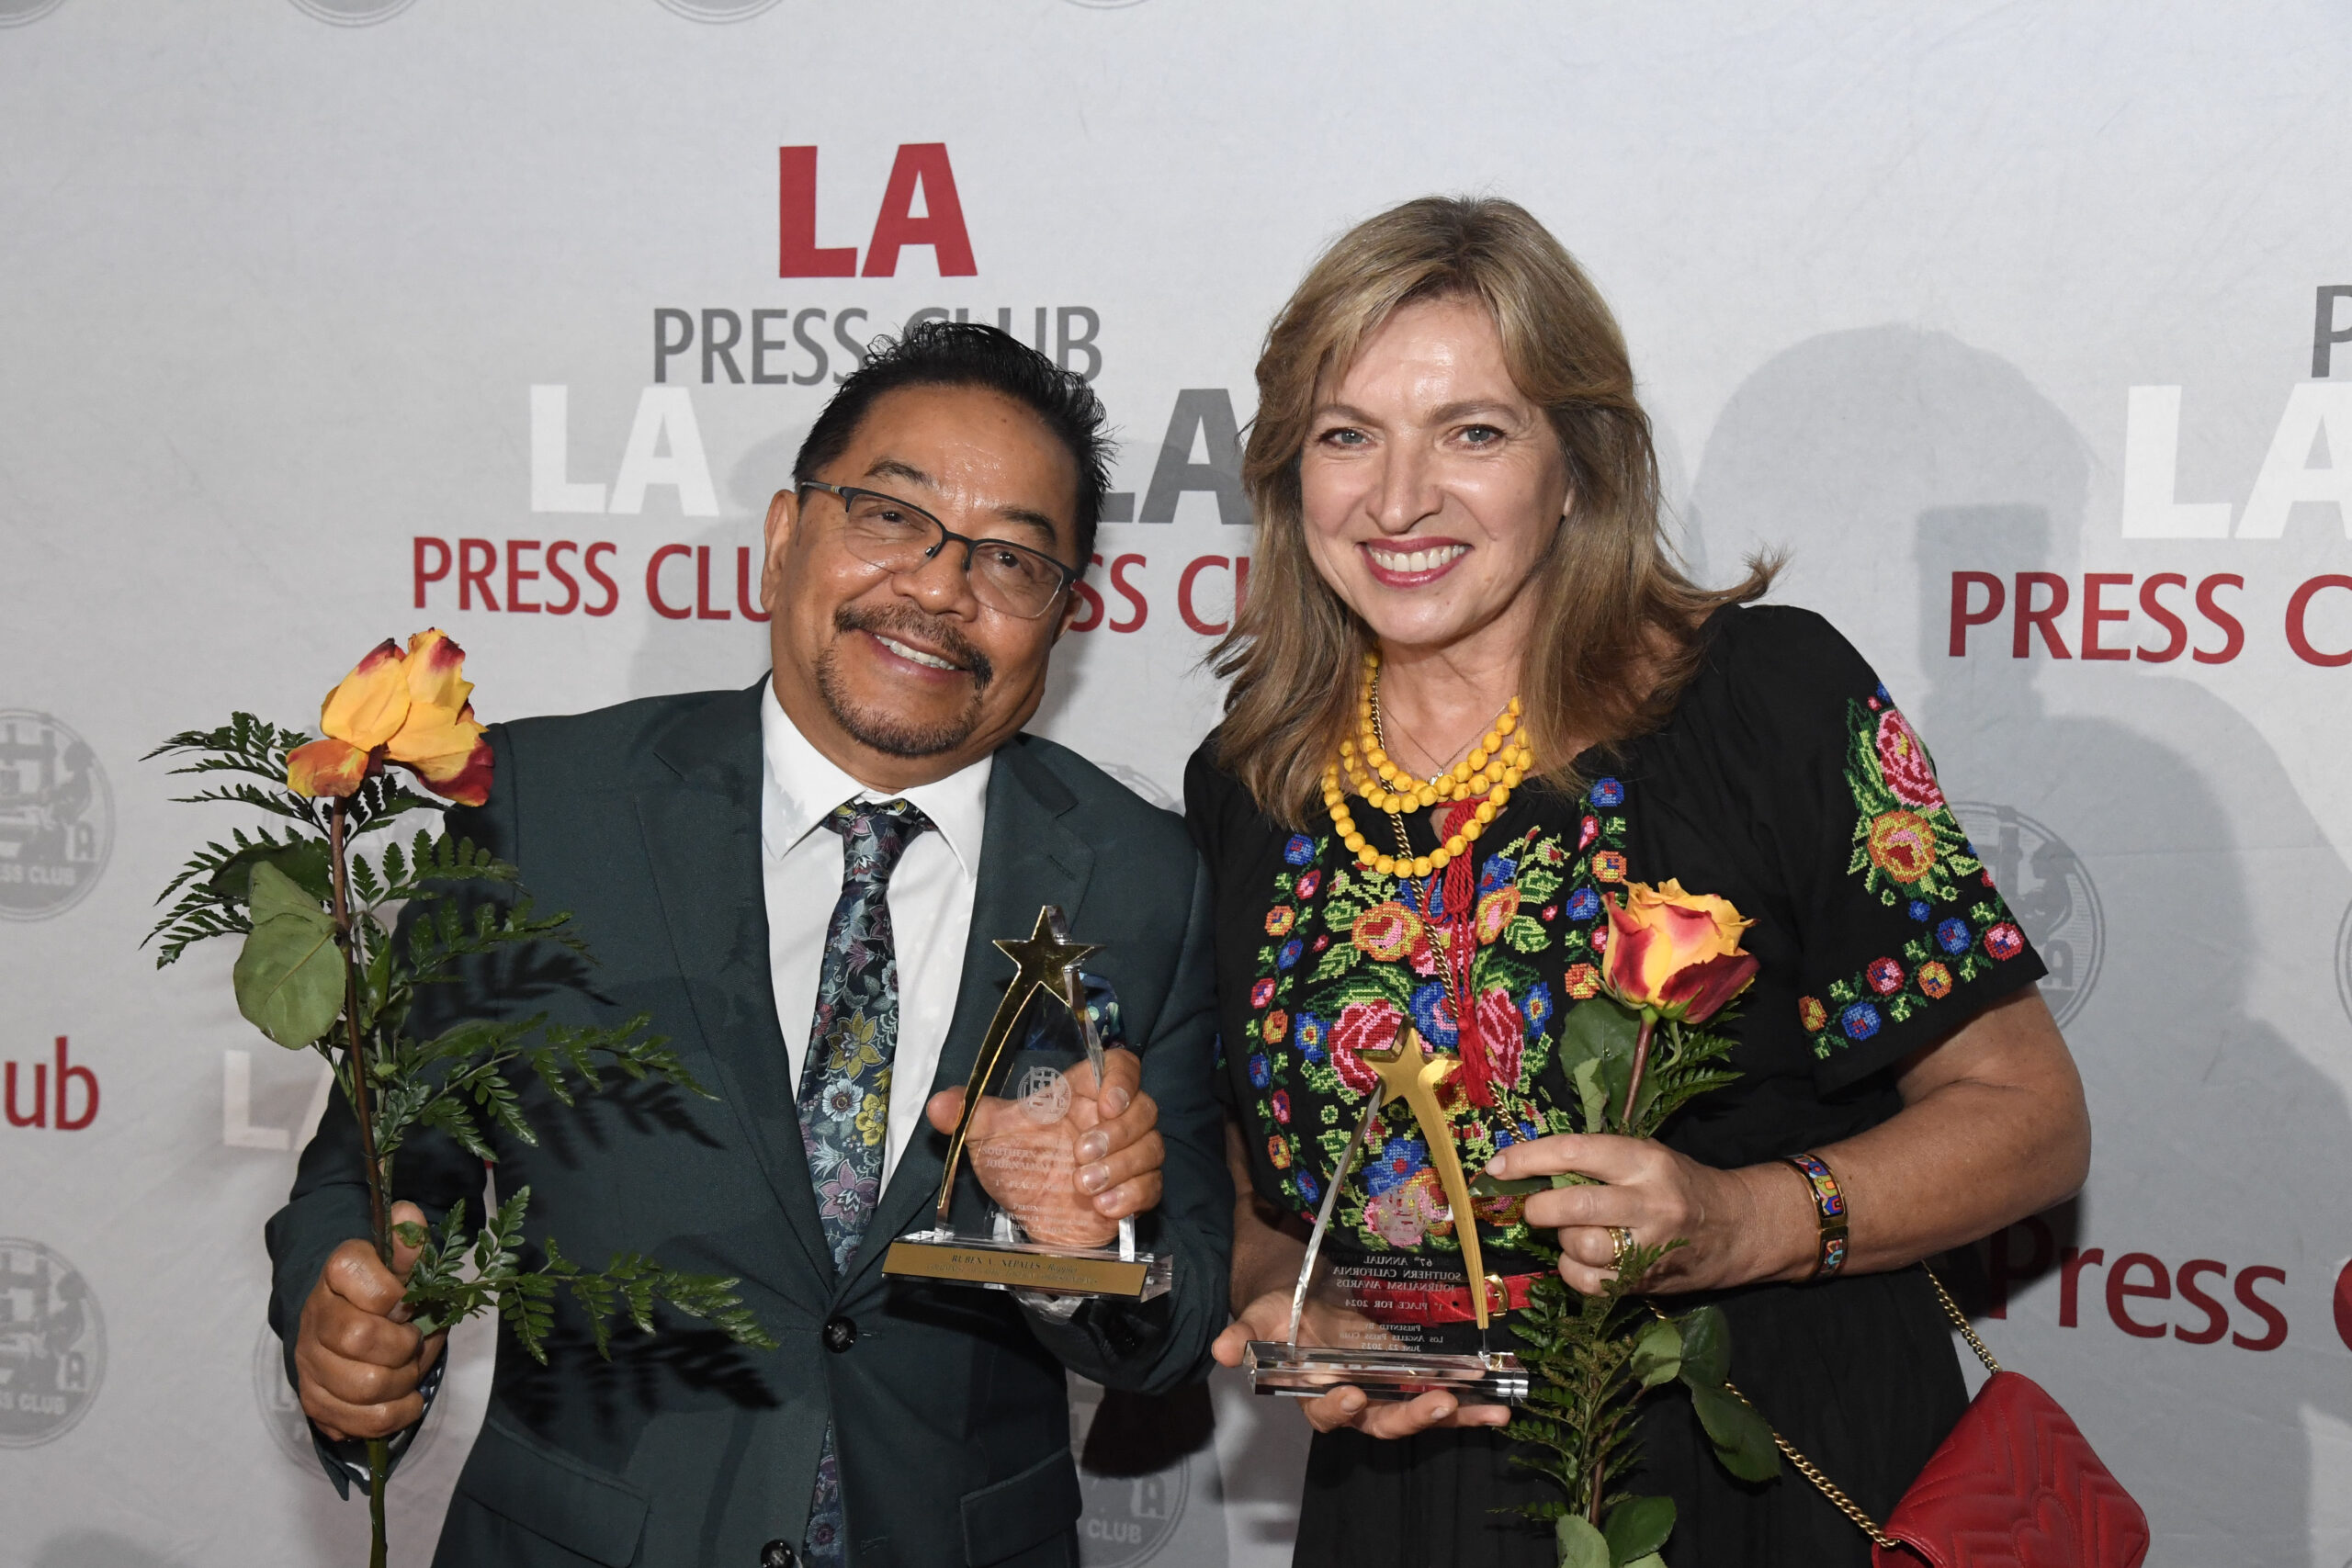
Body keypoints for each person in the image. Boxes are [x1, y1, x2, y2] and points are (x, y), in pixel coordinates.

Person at [1191, 197, 2091, 1565]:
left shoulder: (1761, 702)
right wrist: (1305, 1314)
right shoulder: (1252, 784)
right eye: (1346, 435)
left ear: (1580, 466)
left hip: (1764, 1482)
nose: (1396, 499)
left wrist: (1741, 1222)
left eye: (1473, 433)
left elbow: (2028, 1118)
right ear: (1286, 472)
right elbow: (1271, 1201)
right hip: (1406, 1508)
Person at [266, 322, 1230, 1568]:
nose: (940, 589)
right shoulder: (539, 813)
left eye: (1009, 559)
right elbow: (382, 1161)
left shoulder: (1146, 878)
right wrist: (342, 1316)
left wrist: (1079, 1245)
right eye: (891, 517)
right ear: (785, 538)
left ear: (1063, 616)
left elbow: (1184, 1301)